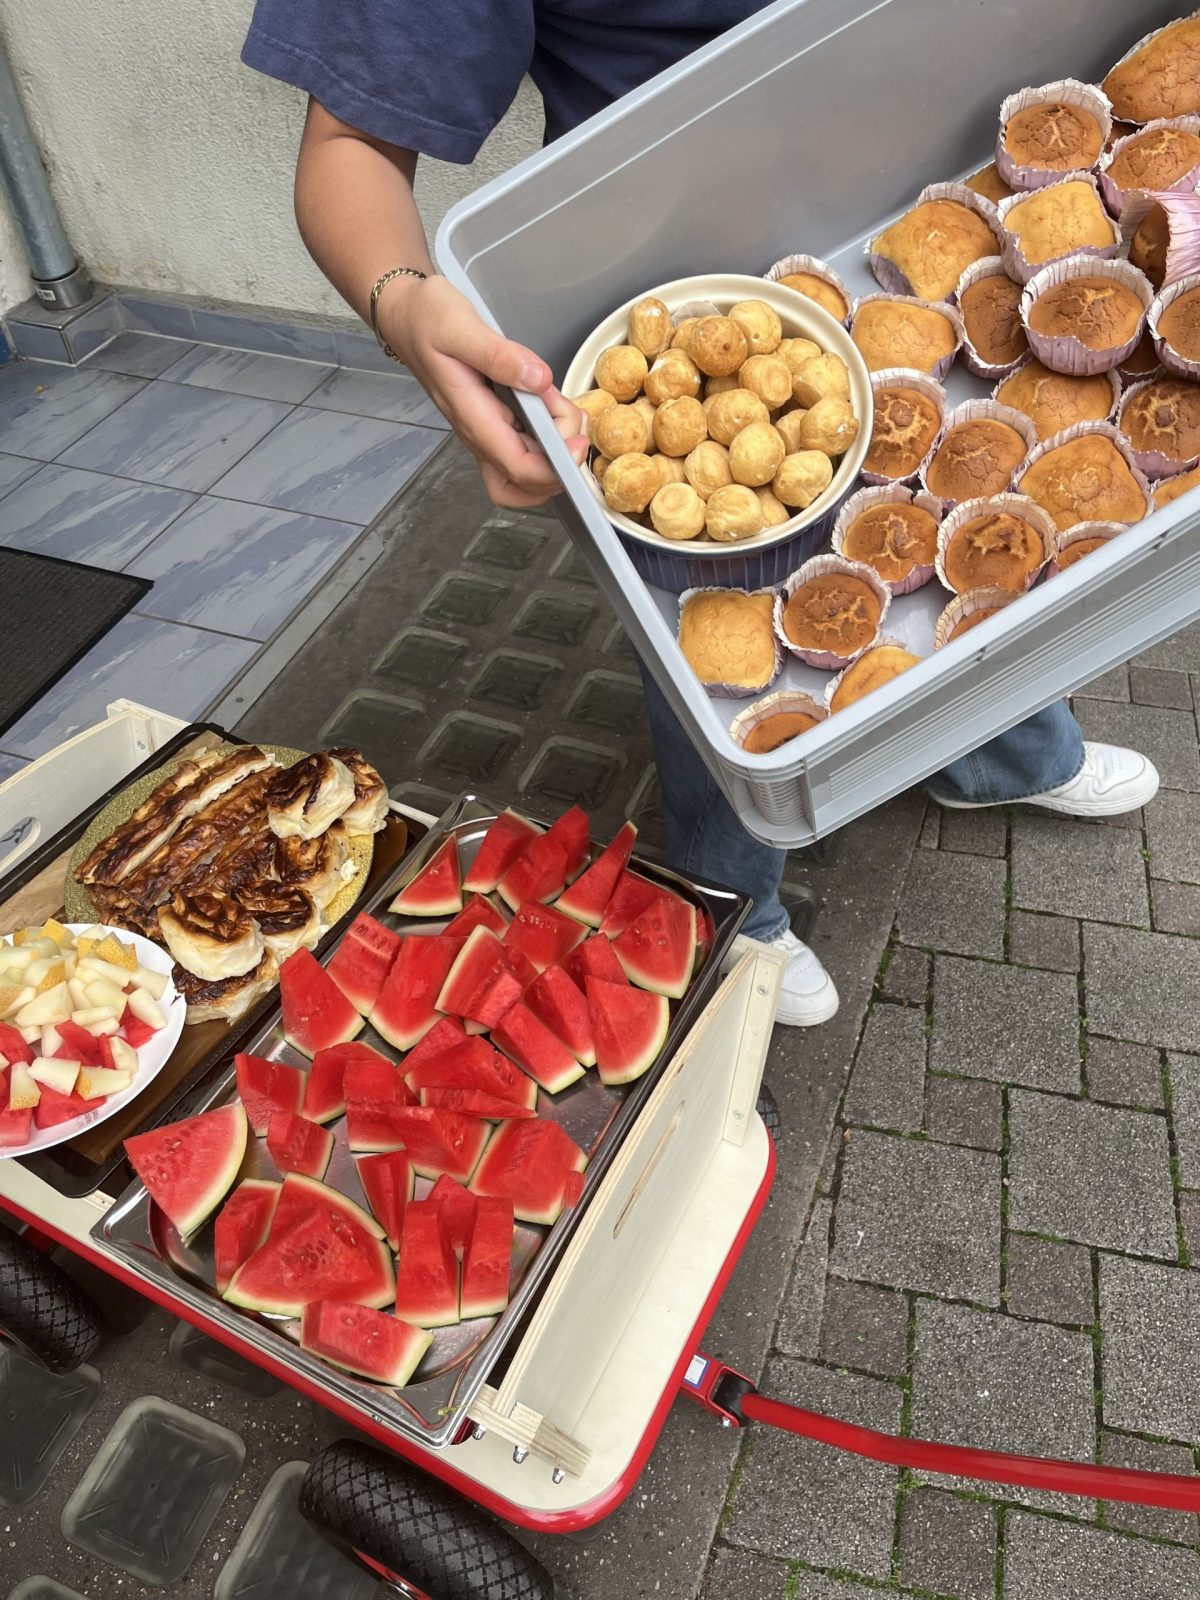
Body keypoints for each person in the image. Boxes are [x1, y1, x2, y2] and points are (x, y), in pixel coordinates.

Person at [242, 1, 1160, 1028]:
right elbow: (350, 145)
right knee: (712, 628)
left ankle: (997, 753)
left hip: (930, 219)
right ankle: (736, 902)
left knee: (962, 522)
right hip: (666, 273)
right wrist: (405, 302)